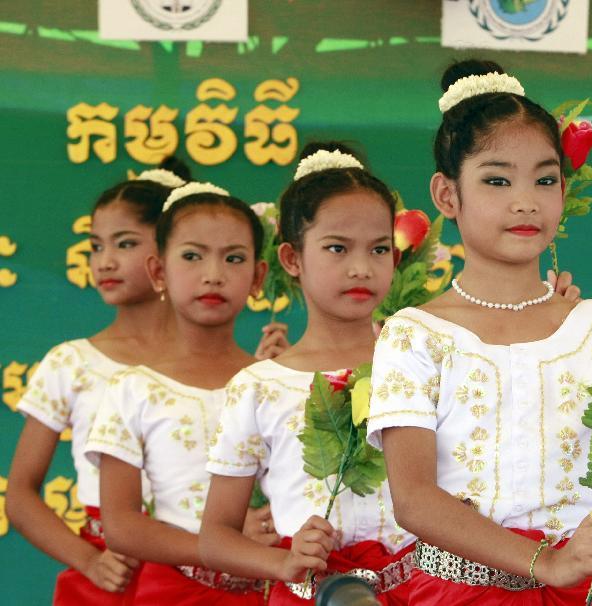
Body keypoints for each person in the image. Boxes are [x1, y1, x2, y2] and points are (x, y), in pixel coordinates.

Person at [366, 59, 592, 604]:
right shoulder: (417, 334)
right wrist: (546, 563)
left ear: (564, 190)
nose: (526, 200)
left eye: (545, 179)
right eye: (497, 180)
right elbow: (415, 500)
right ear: (448, 196)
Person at [200, 142, 420, 605]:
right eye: (337, 248)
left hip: (424, 593)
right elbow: (215, 536)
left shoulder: (423, 362)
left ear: (395, 258)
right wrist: (283, 562)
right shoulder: (259, 387)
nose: (361, 267)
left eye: (379, 248)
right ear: (292, 259)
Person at [84, 182, 273, 605]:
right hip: (170, 593)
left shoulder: (278, 382)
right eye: (192, 256)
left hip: (271, 590)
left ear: (258, 276)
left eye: (234, 258)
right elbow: (121, 525)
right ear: (158, 272)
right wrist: (220, 546)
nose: (213, 274)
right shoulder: (133, 389)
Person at [6, 165, 187, 605]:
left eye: (124, 244)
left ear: (168, 251)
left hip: (196, 575)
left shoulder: (217, 364)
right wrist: (87, 560)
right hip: (111, 573)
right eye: (95, 246)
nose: (104, 260)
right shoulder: (72, 362)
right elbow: (20, 494)